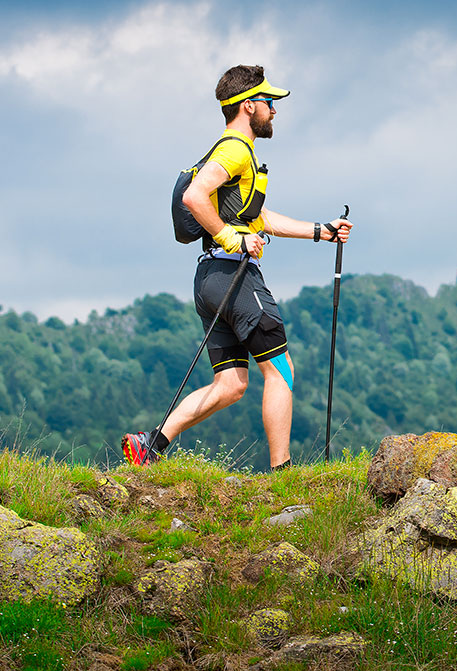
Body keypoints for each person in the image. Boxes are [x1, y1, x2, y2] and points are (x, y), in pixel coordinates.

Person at [122, 65, 352, 469]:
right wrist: (233, 239)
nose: (274, 109)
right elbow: (195, 197)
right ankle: (282, 473)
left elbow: (255, 219)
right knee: (280, 371)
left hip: (209, 279)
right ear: (248, 106)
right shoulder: (235, 149)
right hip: (234, 275)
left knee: (230, 384)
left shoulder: (232, 152)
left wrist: (321, 231)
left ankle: (150, 445)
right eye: (269, 101)